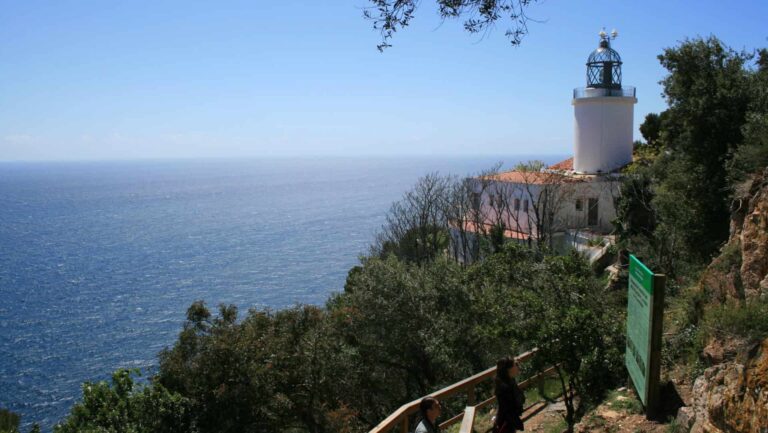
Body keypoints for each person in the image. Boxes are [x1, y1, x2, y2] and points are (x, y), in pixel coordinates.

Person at [493, 356, 525, 433]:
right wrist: (517, 422)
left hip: (509, 421)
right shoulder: (504, 388)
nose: (517, 366)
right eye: (515, 365)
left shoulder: (510, 381)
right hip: (505, 423)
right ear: (509, 369)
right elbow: (507, 410)